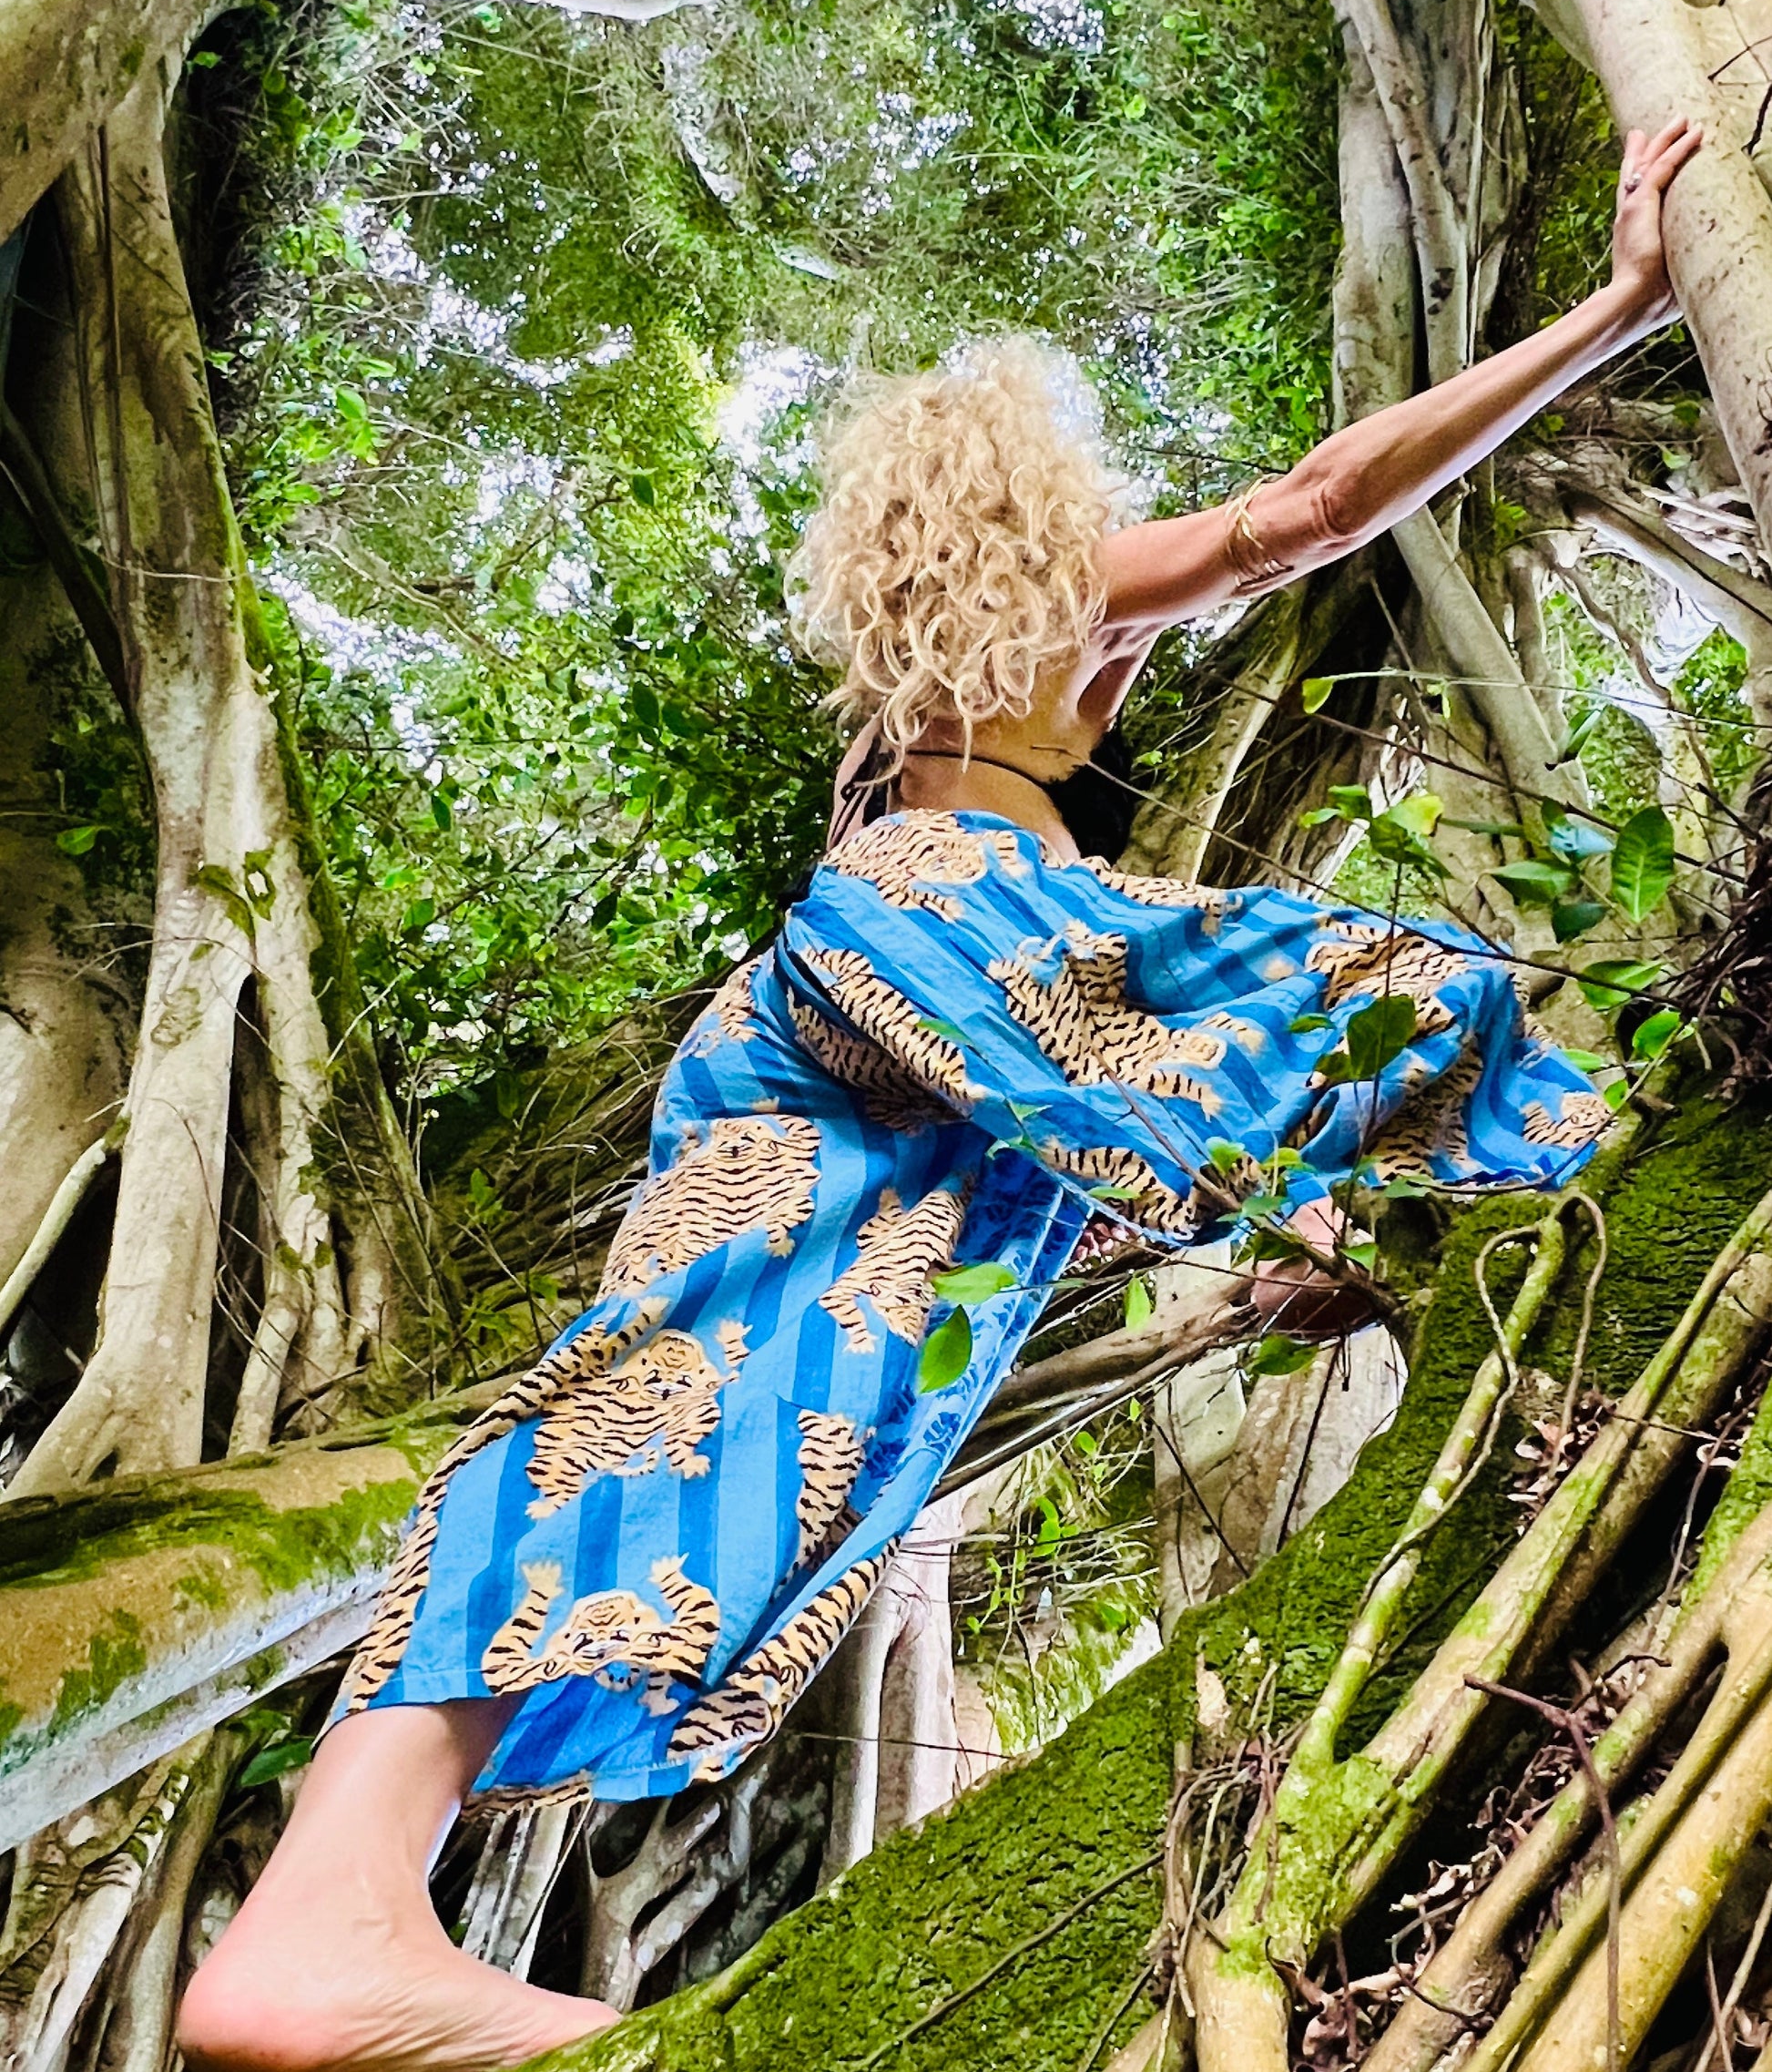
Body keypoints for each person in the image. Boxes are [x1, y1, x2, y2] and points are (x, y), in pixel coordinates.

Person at [178, 117, 1703, 2072]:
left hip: (824, 1001)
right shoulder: (1062, 614)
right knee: (1383, 992)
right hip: (960, 927)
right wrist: (1618, 300)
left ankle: (328, 1906)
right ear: (1025, 511)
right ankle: (1606, 1160)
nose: (1127, 664)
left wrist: (1266, 1209)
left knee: (664, 1386)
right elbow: (1312, 507)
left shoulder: (894, 717)